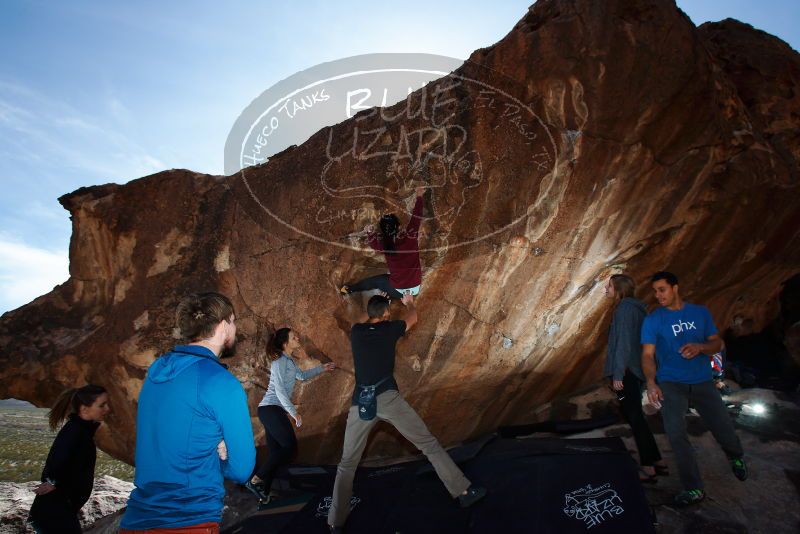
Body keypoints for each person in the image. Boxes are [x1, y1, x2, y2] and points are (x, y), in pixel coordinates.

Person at [328, 293, 486, 532]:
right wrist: (409, 303)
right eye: (387, 313)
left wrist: (375, 307)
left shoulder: (358, 332)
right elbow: (413, 318)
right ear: (385, 315)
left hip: (360, 402)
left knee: (347, 464)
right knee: (428, 445)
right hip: (388, 399)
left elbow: (361, 320)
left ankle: (335, 523)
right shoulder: (390, 329)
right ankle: (463, 492)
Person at [120, 292, 256, 532]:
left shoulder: (155, 373)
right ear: (224, 325)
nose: (234, 329)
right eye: (233, 322)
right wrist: (219, 457)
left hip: (136, 520)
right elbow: (242, 470)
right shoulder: (221, 383)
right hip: (188, 520)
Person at [642, 272, 747, 506]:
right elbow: (647, 354)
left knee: (722, 425)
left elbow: (717, 343)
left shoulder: (700, 312)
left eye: (662, 289)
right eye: (655, 291)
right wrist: (651, 382)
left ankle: (735, 456)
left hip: (701, 380)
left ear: (675, 288)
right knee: (676, 434)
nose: (657, 295)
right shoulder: (653, 319)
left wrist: (701, 347)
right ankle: (694, 488)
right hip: (670, 382)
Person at [245, 327, 336, 503]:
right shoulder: (279, 362)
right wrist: (294, 413)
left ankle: (263, 493)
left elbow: (301, 376)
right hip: (270, 408)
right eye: (294, 337)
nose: (297, 338)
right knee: (290, 448)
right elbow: (279, 391)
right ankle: (256, 480)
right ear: (285, 343)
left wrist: (322, 368)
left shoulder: (290, 362)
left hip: (274, 410)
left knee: (275, 453)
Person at [603, 274, 667, 483]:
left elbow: (623, 344)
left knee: (632, 415)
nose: (607, 289)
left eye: (610, 286)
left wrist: (618, 374)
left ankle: (648, 468)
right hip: (636, 370)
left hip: (627, 372)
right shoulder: (638, 309)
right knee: (635, 415)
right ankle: (656, 460)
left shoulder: (623, 309)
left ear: (619, 289)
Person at [27, 385, 110, 534]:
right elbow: (57, 456)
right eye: (102, 405)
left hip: (60, 510)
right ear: (84, 409)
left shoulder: (81, 431)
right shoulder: (75, 431)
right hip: (55, 513)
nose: (107, 409)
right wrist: (51, 480)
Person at [340, 187, 425, 300]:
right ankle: (391, 297)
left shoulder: (385, 245)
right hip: (414, 290)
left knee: (374, 281)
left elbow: (374, 244)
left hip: (397, 289)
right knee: (390, 278)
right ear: (399, 226)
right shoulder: (411, 236)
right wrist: (419, 196)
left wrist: (369, 232)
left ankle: (349, 289)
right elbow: (416, 217)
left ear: (383, 232)